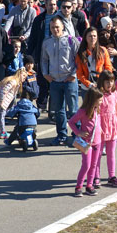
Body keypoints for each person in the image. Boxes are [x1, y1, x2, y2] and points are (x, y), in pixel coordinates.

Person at [42, 16, 80, 146]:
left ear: (62, 26)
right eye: (52, 27)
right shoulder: (47, 42)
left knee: (73, 110)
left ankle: (77, 136)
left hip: (69, 80)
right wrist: (45, 74)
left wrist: (74, 74)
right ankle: (61, 135)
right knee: (58, 110)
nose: (55, 29)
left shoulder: (71, 40)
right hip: (54, 81)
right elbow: (44, 60)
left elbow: (79, 59)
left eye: (57, 27)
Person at [68, 88, 104, 197]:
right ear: (93, 100)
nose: (101, 102)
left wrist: (101, 130)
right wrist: (78, 132)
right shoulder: (83, 111)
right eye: (100, 100)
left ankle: (89, 185)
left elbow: (98, 122)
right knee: (86, 165)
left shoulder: (97, 109)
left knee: (94, 165)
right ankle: (79, 186)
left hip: (97, 142)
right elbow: (71, 122)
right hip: (86, 143)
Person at [95, 71, 117, 187]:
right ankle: (96, 176)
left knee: (111, 153)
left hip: (112, 125)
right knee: (98, 153)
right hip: (101, 126)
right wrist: (97, 127)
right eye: (107, 81)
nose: (110, 84)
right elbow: (95, 112)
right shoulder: (98, 95)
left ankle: (112, 176)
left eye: (111, 81)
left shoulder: (114, 94)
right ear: (102, 82)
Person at [0, 69, 26, 140]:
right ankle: (3, 132)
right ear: (19, 75)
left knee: (1, 115)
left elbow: (13, 95)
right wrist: (1, 101)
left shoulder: (16, 82)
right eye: (23, 76)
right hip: (1, 100)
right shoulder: (13, 82)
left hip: (3, 100)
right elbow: (4, 91)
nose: (24, 78)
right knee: (2, 116)